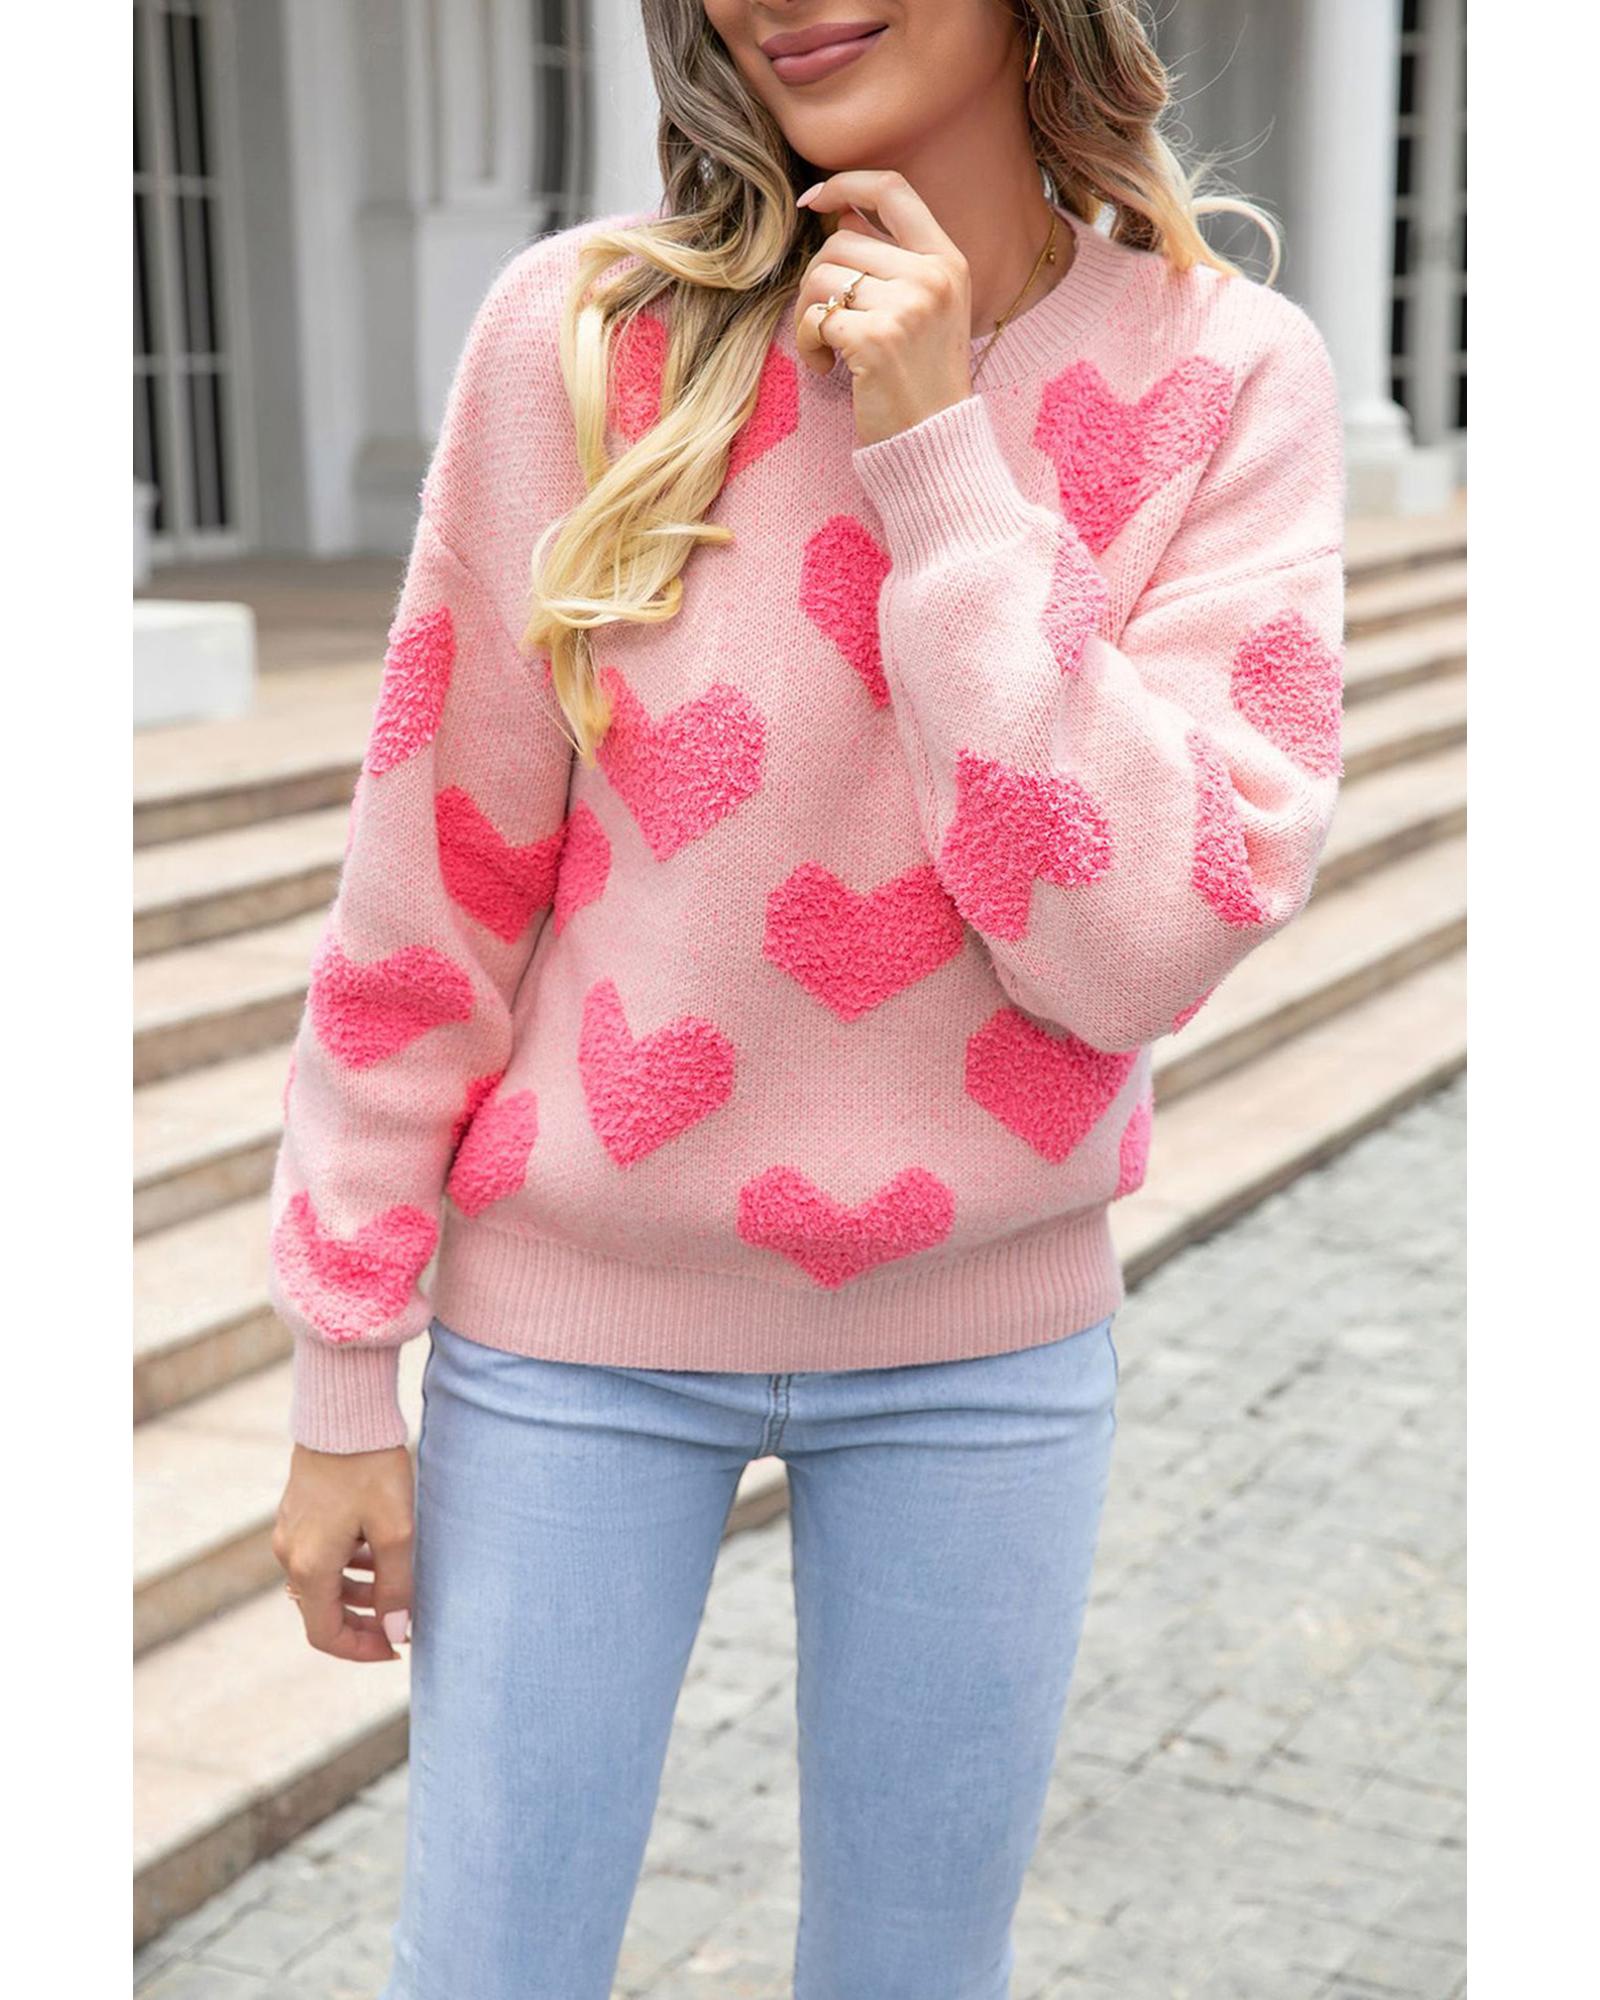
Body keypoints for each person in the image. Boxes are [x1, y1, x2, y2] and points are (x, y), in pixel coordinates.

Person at [267, 2, 1347, 1993]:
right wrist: (343, 1360)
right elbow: (431, 876)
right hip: (569, 1341)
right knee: (486, 1966)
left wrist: (939, 457)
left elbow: (1132, 947)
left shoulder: (1223, 373)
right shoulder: (584, 337)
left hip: (984, 1350)